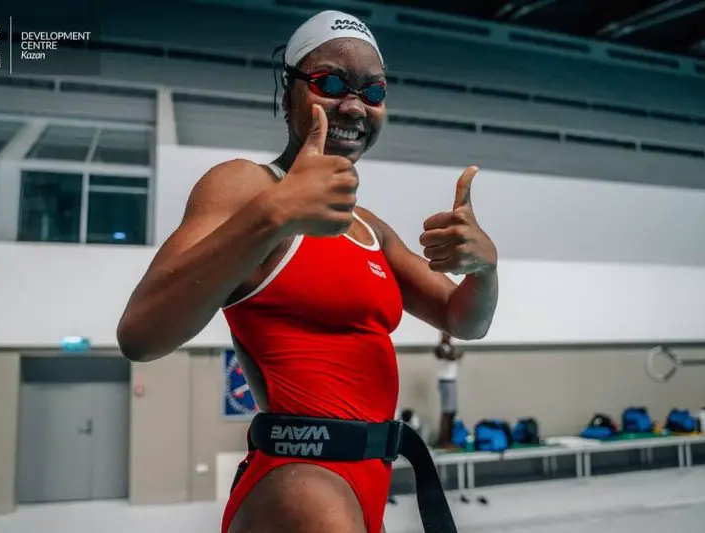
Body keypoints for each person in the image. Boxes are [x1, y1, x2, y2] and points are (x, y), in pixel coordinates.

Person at [117, 10, 499, 533]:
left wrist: (485, 268)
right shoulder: (245, 186)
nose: (353, 106)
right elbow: (139, 335)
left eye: (372, 91)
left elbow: (464, 319)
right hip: (303, 485)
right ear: (287, 94)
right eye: (330, 83)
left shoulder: (369, 228)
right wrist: (275, 213)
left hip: (367, 481)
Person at [434, 332, 463, 448]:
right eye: (445, 335)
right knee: (447, 411)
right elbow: (450, 356)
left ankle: (448, 439)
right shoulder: (440, 348)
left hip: (451, 381)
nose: (448, 337)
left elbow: (458, 355)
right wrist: (454, 353)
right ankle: (443, 440)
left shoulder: (450, 348)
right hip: (445, 381)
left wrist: (455, 352)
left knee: (452, 411)